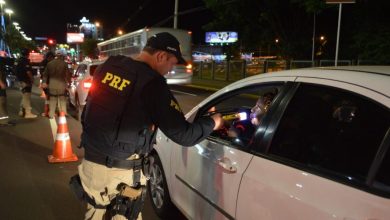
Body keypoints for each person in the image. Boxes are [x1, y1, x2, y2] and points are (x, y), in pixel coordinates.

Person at [74, 32, 223, 220]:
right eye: (172, 63)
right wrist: (213, 122)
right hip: (119, 175)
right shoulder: (152, 83)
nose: (170, 69)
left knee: (95, 212)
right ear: (161, 56)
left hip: (91, 164)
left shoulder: (110, 65)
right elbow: (184, 134)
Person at [41, 50, 71, 118]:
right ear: (62, 56)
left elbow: (45, 75)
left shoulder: (50, 64)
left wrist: (44, 82)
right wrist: (69, 82)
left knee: (52, 99)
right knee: (62, 99)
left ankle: (51, 114)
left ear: (56, 56)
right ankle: (63, 113)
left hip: (52, 84)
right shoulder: (64, 64)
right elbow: (67, 74)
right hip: (61, 84)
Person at [14, 48, 37, 118]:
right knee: (27, 97)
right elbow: (28, 72)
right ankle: (27, 113)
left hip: (20, 80)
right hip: (25, 81)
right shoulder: (25, 61)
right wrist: (32, 79)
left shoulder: (18, 60)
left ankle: (21, 111)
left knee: (24, 96)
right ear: (28, 54)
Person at [40, 51, 55, 117]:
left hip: (45, 82)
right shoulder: (48, 64)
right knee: (50, 97)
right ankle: (48, 112)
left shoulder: (42, 63)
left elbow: (42, 73)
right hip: (48, 82)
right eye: (52, 58)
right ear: (50, 57)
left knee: (48, 97)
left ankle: (46, 111)